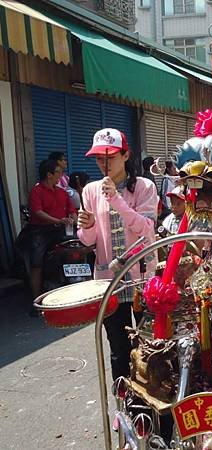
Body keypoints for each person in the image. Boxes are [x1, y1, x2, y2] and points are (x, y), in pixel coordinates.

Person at [77, 128, 158, 380]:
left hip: (142, 280)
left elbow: (146, 229)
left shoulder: (144, 187)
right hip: (108, 282)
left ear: (125, 156)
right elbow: (87, 241)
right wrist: (87, 226)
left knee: (150, 346)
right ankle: (125, 407)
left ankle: (153, 407)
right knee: (119, 350)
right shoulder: (90, 191)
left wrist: (116, 200)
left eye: (110, 157)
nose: (104, 164)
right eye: (99, 158)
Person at [25, 159, 77, 303]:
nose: (60, 176)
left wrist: (74, 219)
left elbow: (72, 210)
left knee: (78, 251)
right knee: (37, 263)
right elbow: (38, 212)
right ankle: (36, 300)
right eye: (58, 172)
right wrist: (58, 221)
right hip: (40, 231)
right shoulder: (36, 191)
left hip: (62, 230)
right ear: (49, 175)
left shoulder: (62, 192)